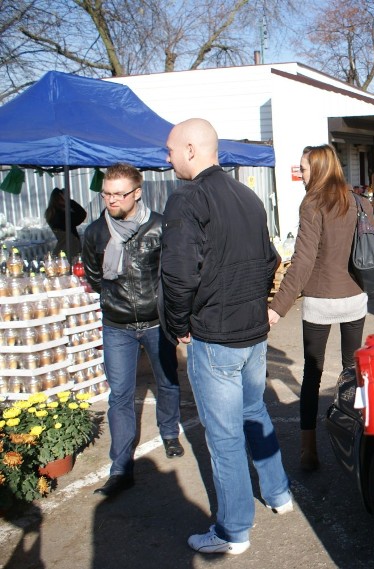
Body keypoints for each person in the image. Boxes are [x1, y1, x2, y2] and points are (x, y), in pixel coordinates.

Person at [160, 118, 291, 555]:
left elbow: (178, 276)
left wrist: (178, 325)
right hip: (251, 332)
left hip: (217, 335)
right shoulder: (248, 196)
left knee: (225, 438)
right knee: (255, 413)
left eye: (171, 150)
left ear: (192, 150)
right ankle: (278, 493)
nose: (168, 158)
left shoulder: (188, 199)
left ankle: (234, 530)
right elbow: (270, 260)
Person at [82, 163, 184, 498]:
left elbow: (170, 274)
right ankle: (121, 466)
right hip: (117, 326)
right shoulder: (96, 232)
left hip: (156, 323)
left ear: (137, 193)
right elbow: (95, 278)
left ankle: (169, 432)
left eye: (119, 194)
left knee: (167, 381)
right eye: (107, 194)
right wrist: (114, 302)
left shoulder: (158, 227)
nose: (111, 200)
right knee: (120, 395)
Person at [268, 144, 372, 471]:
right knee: (353, 371)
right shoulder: (358, 200)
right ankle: (361, 436)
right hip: (354, 298)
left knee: (312, 374)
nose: (301, 175)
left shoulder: (312, 203)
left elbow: (301, 262)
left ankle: (308, 449)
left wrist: (277, 307)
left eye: (305, 168)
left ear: (321, 168)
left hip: (321, 301)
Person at [45, 187, 87, 257]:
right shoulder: (62, 215)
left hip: (63, 248)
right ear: (60, 198)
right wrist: (69, 201)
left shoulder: (51, 213)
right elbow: (82, 214)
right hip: (70, 248)